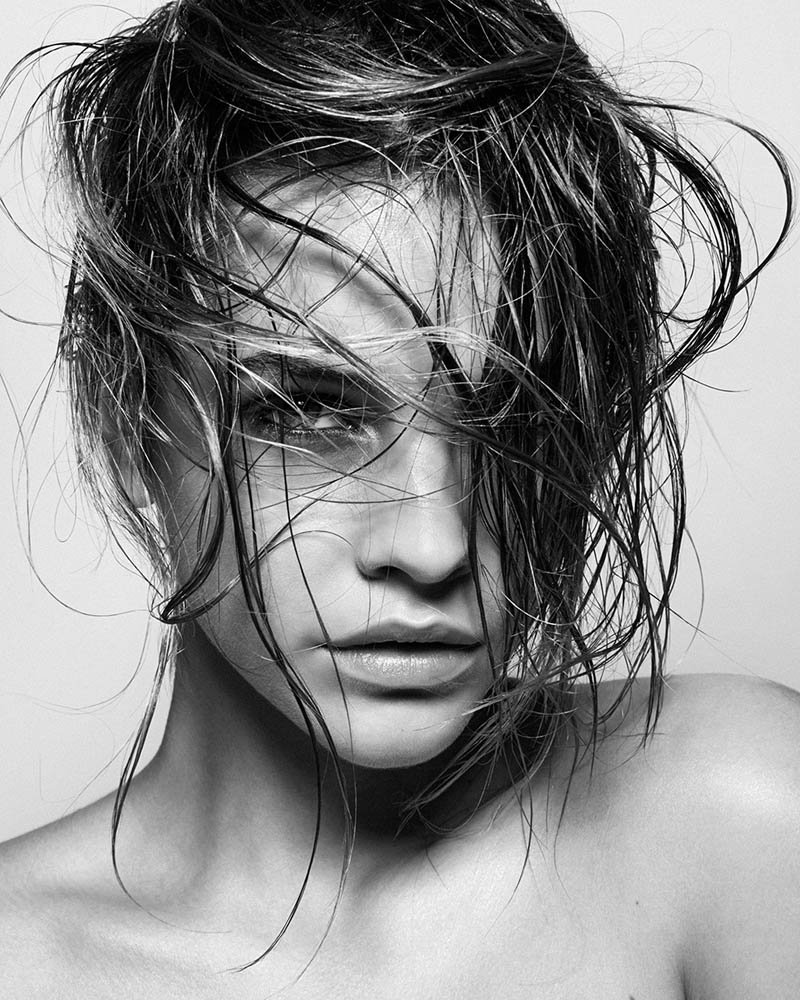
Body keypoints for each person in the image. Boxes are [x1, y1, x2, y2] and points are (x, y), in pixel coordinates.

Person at [0, 0, 798, 995]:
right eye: (310, 409)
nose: (433, 543)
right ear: (129, 427)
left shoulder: (739, 821)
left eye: (513, 418)